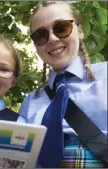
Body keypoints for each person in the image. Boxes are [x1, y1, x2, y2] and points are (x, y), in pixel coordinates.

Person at [18, 1, 107, 168]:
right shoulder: (30, 103)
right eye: (40, 35)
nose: (52, 38)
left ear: (80, 30)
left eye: (61, 28)